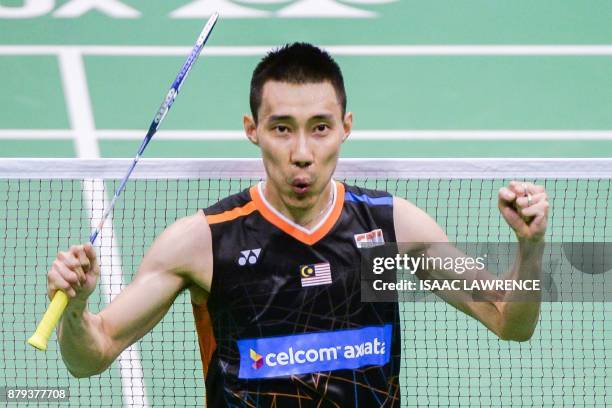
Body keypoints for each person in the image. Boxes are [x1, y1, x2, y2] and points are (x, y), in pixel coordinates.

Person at [48, 43, 549, 407]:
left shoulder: (389, 227)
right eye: (282, 129)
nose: (302, 154)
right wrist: (76, 310)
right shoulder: (203, 242)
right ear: (253, 131)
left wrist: (531, 247)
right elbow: (92, 355)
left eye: (320, 128)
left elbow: (509, 319)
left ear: (345, 129)